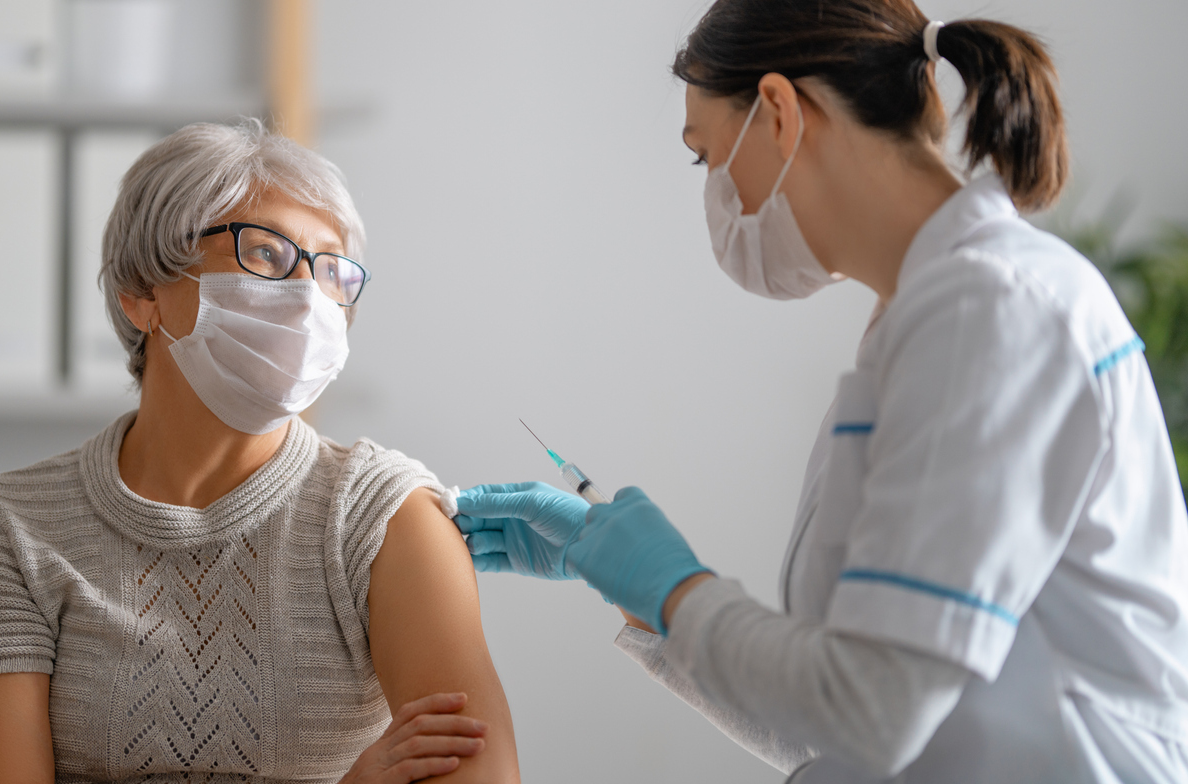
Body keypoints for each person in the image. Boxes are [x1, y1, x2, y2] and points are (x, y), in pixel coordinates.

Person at [454, 1, 1188, 781]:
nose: (713, 189)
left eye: (703, 156)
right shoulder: (920, 326)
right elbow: (834, 723)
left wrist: (675, 589)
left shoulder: (991, 309)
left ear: (777, 111)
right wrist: (637, 592)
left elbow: (873, 715)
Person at [0, 121, 520, 784]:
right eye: (267, 254)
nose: (308, 298)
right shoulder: (7, 528)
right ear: (142, 294)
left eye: (331, 271)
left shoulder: (382, 516)